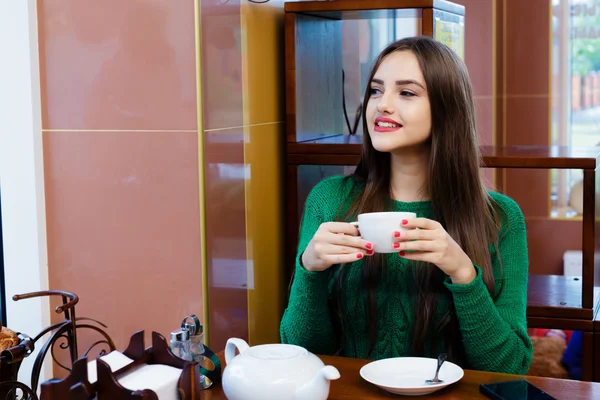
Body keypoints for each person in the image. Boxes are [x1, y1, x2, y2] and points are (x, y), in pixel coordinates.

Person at [279, 36, 533, 374]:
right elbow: (301, 353)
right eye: (375, 90)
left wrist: (462, 273)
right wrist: (309, 269)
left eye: (407, 92)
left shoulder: (500, 218)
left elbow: (510, 368)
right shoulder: (329, 200)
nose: (382, 104)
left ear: (447, 109)